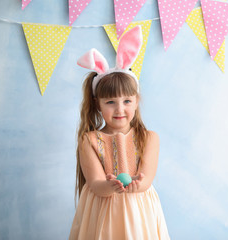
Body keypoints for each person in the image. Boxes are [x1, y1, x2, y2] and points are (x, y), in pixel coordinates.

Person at [69, 26, 170, 239]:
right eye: (110, 102)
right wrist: (110, 186)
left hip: (138, 210)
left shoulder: (149, 138)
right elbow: (96, 184)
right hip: (104, 210)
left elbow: (147, 179)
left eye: (126, 101)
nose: (120, 109)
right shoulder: (89, 140)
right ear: (97, 104)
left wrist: (136, 184)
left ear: (136, 101)